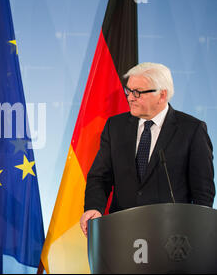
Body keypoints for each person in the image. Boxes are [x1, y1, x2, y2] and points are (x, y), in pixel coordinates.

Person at [80, 62, 215, 237]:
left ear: (162, 95)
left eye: (137, 92)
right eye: (128, 91)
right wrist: (94, 207)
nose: (130, 98)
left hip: (172, 236)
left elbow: (202, 191)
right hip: (122, 233)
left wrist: (198, 231)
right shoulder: (115, 127)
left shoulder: (191, 129)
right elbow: (100, 177)